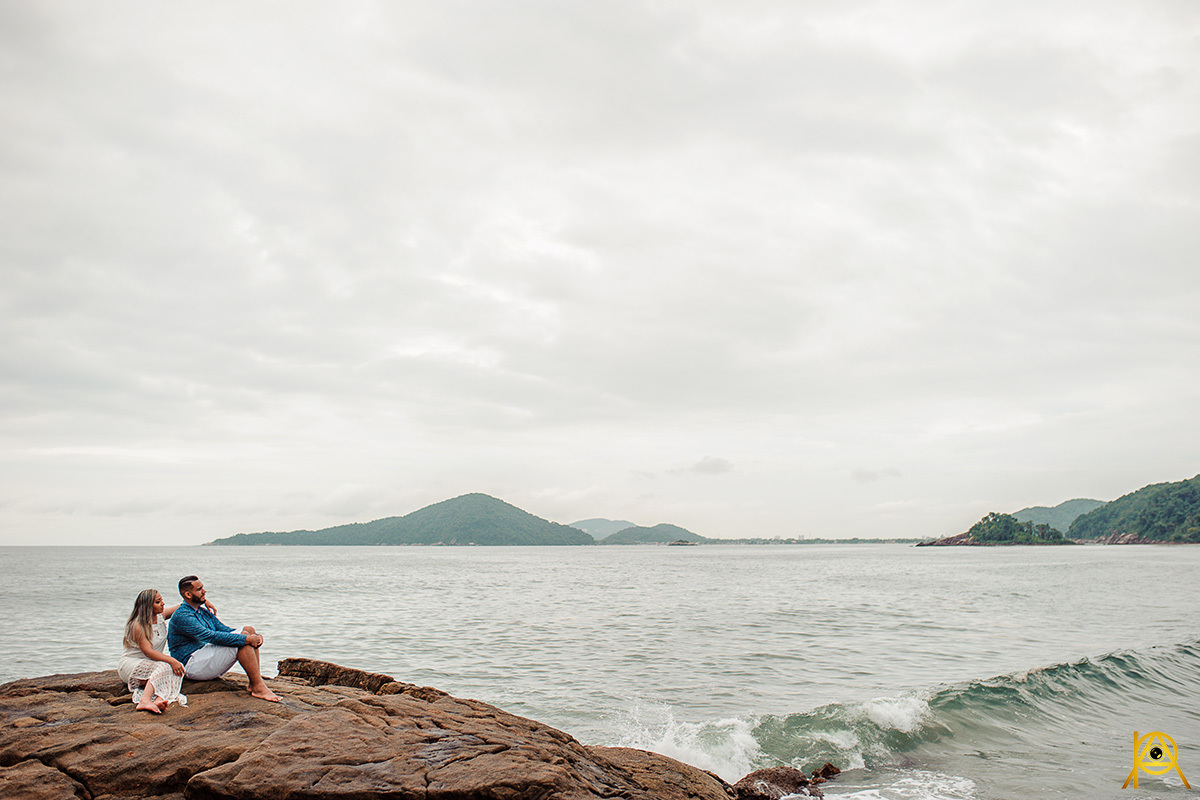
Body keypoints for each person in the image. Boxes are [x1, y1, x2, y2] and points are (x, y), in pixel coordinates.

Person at [167, 575, 281, 702]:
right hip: (190, 664)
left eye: (203, 588)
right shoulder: (183, 616)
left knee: (248, 630)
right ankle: (258, 687)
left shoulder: (202, 611)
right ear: (188, 595)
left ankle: (254, 683)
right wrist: (247, 640)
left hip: (203, 654)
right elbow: (210, 636)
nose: (204, 591)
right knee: (243, 641)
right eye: (199, 589)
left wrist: (254, 637)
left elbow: (224, 630)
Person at [118, 589, 190, 714]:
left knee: (175, 671)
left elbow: (184, 605)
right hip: (132, 664)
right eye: (158, 602)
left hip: (153, 664)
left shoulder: (160, 616)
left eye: (161, 600)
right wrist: (172, 660)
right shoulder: (138, 625)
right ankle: (144, 701)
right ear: (148, 606)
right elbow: (148, 652)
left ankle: (159, 699)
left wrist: (204, 601)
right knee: (167, 666)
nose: (163, 603)